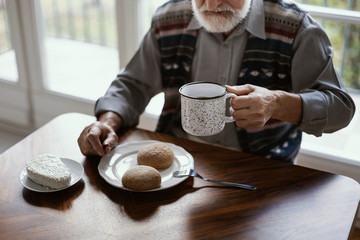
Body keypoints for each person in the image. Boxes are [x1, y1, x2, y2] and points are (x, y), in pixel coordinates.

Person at [78, 0, 355, 161]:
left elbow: (340, 108)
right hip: (178, 161)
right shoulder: (168, 18)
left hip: (263, 168)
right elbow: (133, 84)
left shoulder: (297, 28)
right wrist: (106, 122)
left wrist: (277, 103)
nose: (210, 5)